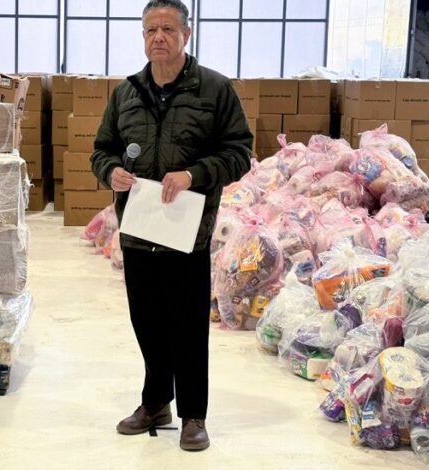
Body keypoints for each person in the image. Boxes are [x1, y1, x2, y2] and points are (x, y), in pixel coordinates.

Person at [90, 0, 253, 452]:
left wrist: (193, 175)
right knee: (147, 322)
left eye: (167, 29)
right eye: (150, 30)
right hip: (139, 229)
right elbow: (102, 150)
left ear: (186, 34)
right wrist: (110, 172)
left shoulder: (215, 90)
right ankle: (156, 402)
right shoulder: (126, 93)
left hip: (186, 232)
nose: (158, 37)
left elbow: (239, 153)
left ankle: (193, 415)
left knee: (187, 327)